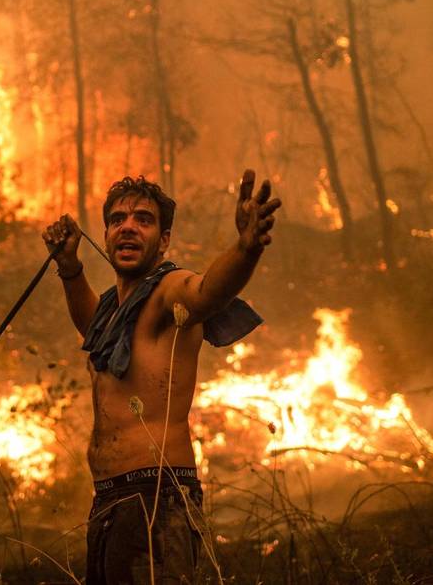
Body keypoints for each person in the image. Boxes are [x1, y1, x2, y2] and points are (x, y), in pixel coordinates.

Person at [42, 169, 281, 584]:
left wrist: (245, 249)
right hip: (110, 501)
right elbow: (91, 329)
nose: (128, 227)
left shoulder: (168, 291)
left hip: (156, 497)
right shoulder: (112, 313)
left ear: (164, 239)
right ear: (107, 233)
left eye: (143, 219)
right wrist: (70, 268)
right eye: (118, 219)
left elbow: (207, 292)